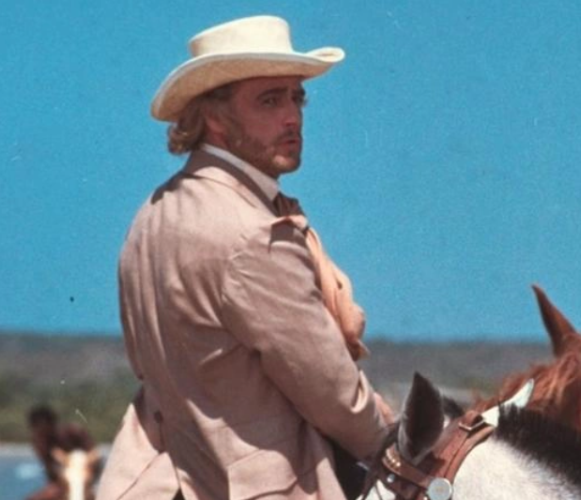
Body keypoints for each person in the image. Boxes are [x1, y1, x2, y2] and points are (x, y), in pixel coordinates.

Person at [97, 15, 390, 500]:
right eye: (269, 100)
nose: (292, 116)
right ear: (213, 116)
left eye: (297, 97)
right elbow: (336, 398)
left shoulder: (148, 218)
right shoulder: (252, 234)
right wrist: (405, 444)